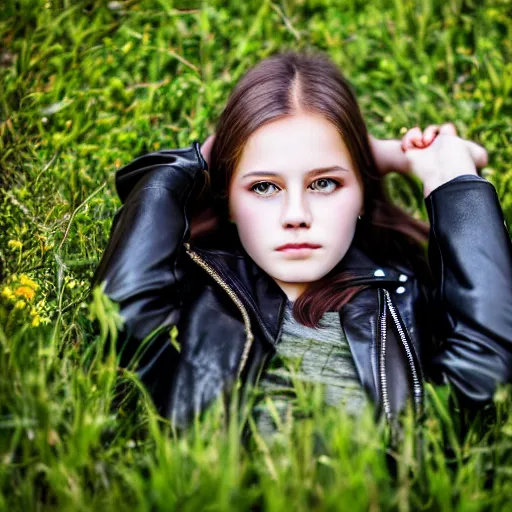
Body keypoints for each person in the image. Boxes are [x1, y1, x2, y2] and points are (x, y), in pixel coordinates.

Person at [90, 50, 512, 445]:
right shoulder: (205, 292)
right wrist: (197, 159)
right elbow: (123, 316)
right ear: (229, 200)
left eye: (325, 183)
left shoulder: (398, 294)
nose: (296, 214)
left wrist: (450, 177)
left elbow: (483, 367)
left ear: (362, 193)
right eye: (264, 186)